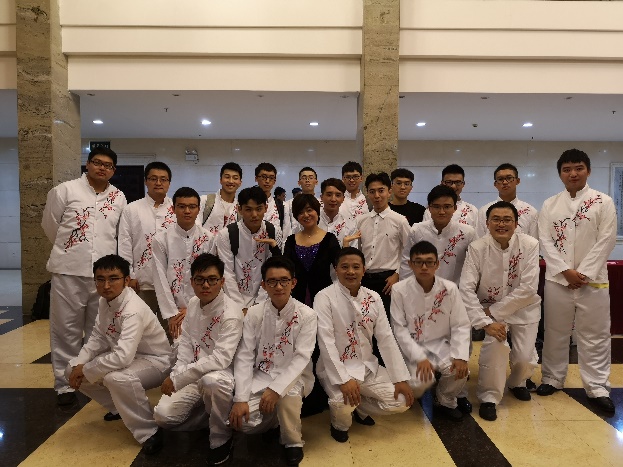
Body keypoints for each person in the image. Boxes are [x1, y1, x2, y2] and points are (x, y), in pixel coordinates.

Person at [42, 147, 127, 406]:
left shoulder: (118, 197)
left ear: (113, 170)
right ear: (87, 164)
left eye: (108, 165)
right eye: (97, 163)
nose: (102, 168)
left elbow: (119, 234)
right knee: (65, 330)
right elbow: (50, 226)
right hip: (68, 270)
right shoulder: (65, 191)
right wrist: (71, 251)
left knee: (99, 331)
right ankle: (64, 385)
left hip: (104, 277)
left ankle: (92, 381)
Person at [536, 149, 617, 416]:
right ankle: (552, 378)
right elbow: (545, 240)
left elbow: (607, 239)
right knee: (554, 331)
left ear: (588, 171)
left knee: (595, 334)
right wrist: (564, 272)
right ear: (560, 174)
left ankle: (597, 387)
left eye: (578, 168)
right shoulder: (550, 205)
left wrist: (583, 273)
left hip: (593, 281)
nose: (573, 173)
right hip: (558, 280)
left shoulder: (603, 201)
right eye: (567, 169)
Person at [66, 255, 173, 455]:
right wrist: (79, 364)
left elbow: (123, 357)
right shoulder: (104, 301)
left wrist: (86, 369)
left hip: (155, 362)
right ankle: (119, 408)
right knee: (70, 369)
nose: (106, 285)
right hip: (127, 357)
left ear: (126, 280)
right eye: (100, 279)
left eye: (113, 278)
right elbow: (97, 338)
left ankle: (149, 431)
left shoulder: (132, 309)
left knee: (115, 378)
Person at [315, 247, 414, 442]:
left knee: (402, 400)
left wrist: (400, 378)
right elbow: (325, 341)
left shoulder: (373, 297)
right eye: (345, 267)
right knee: (341, 401)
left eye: (356, 267)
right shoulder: (324, 297)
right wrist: (343, 379)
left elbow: (386, 338)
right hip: (336, 368)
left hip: (367, 366)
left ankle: (359, 406)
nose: (350, 271)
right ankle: (339, 424)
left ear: (364, 270)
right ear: (336, 269)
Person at [153, 253, 243, 465]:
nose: (206, 285)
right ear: (192, 281)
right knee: (163, 416)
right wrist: (177, 374)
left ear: (222, 281)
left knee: (212, 382)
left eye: (212, 279)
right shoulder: (193, 303)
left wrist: (178, 379)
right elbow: (186, 344)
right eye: (200, 279)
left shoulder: (231, 313)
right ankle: (214, 417)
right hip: (192, 373)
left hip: (221, 375)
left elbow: (221, 359)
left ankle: (221, 436)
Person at [229, 256, 317, 467]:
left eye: (284, 281)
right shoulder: (254, 313)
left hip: (295, 377)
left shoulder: (307, 315)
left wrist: (276, 390)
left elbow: (302, 357)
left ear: (293, 283)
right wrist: (241, 398)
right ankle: (276, 420)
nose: (278, 287)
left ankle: (293, 441)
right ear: (264, 285)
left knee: (289, 395)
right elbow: (245, 355)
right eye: (272, 282)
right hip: (262, 375)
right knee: (242, 423)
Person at [460, 201, 541, 421]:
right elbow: (466, 288)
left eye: (507, 220)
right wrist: (485, 321)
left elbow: (529, 288)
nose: (501, 224)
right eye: (496, 219)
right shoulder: (477, 248)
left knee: (524, 358)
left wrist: (493, 312)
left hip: (523, 308)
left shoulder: (530, 244)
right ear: (487, 223)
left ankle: (517, 382)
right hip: (489, 310)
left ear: (516, 223)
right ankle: (489, 397)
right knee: (495, 349)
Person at [391, 241, 470, 421]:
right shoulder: (399, 290)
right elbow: (399, 329)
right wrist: (419, 357)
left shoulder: (450, 289)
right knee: (419, 384)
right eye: (418, 262)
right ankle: (424, 386)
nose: (424, 267)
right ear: (410, 264)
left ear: (437, 264)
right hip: (412, 347)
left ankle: (445, 399)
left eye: (429, 262)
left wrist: (460, 355)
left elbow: (460, 324)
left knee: (460, 370)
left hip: (440, 344)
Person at [283, 194, 341, 416]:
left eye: (310, 210)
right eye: (301, 212)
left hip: (322, 300)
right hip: (296, 301)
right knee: (300, 346)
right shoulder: (290, 241)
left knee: (322, 345)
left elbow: (339, 271)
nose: (306, 215)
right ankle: (302, 393)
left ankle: (322, 395)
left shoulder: (330, 239)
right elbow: (286, 271)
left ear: (317, 212)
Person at [152, 187, 211, 340]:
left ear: (198, 209)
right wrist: (172, 313)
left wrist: (193, 308)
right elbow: (160, 278)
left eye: (192, 207)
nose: (187, 211)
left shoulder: (209, 239)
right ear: (173, 209)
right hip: (173, 311)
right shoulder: (161, 239)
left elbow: (211, 278)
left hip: (202, 307)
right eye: (182, 206)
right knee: (174, 347)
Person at [118, 161, 175, 321]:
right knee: (140, 325)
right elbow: (124, 244)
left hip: (171, 283)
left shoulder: (177, 209)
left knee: (170, 328)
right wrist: (129, 275)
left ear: (169, 183)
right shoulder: (132, 209)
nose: (158, 183)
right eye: (153, 179)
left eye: (163, 179)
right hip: (141, 281)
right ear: (145, 181)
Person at [215, 186, 283, 314]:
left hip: (266, 300)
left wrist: (259, 305)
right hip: (234, 301)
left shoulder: (274, 232)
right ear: (239, 209)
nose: (254, 215)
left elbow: (272, 271)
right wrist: (240, 307)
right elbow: (227, 273)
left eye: (259, 209)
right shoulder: (226, 234)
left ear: (266, 208)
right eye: (248, 209)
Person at [355, 172, 411, 315]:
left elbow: (410, 251)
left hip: (389, 280)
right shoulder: (361, 221)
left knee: (388, 320)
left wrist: (397, 275)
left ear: (389, 191)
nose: (377, 196)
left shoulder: (400, 221)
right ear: (367, 193)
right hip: (365, 279)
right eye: (372, 192)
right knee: (366, 320)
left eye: (381, 191)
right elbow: (358, 250)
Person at [400, 184, 475, 285]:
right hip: (421, 288)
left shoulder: (467, 233)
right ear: (429, 208)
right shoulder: (417, 230)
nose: (441, 212)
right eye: (436, 207)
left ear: (455, 208)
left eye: (447, 207)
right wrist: (406, 289)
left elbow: (472, 267)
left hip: (454, 290)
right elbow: (406, 263)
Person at [475, 163, 538, 239]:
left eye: (509, 178)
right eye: (500, 179)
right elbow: (479, 241)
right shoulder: (484, 211)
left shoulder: (530, 212)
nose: (505, 182)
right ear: (495, 184)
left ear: (517, 181)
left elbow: (534, 242)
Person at [198, 162, 242, 236]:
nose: (231, 181)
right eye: (227, 177)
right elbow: (196, 227)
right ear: (220, 180)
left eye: (235, 178)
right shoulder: (205, 201)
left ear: (240, 182)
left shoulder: (240, 209)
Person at [318, 178, 360, 247]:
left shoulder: (350, 225)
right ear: (321, 197)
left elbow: (352, 252)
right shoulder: (313, 221)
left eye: (338, 195)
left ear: (343, 199)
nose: (333, 199)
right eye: (329, 195)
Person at [283, 167, 319, 238]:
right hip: (296, 240)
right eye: (304, 178)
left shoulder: (321, 203)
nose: (307, 180)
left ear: (316, 182)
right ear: (299, 182)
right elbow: (286, 229)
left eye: (311, 178)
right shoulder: (289, 204)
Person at [255, 162, 282, 228]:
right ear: (256, 178)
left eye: (271, 178)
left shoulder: (282, 206)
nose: (267, 181)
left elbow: (286, 231)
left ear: (274, 181)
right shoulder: (247, 203)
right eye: (264, 177)